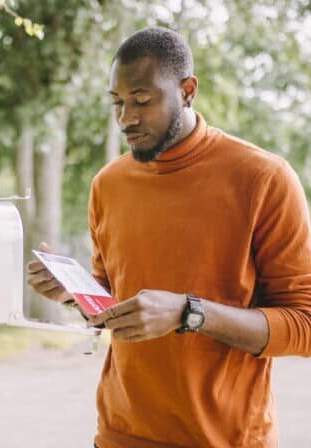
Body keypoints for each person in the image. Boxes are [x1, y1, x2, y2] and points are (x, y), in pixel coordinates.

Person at [27, 27, 311, 448]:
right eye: (118, 103)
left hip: (226, 439)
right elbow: (115, 304)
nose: (127, 119)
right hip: (120, 435)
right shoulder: (108, 185)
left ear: (187, 91)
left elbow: (304, 325)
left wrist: (189, 313)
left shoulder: (263, 178)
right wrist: (75, 293)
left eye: (142, 100)